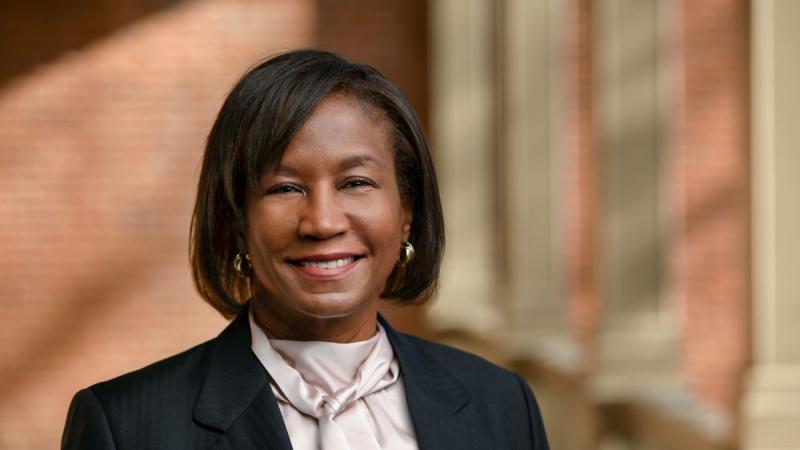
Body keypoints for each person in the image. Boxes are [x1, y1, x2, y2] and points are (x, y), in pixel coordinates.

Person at [61, 49, 549, 450]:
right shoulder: (127, 427)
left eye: (356, 182)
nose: (322, 222)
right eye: (284, 188)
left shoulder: (501, 405)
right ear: (234, 222)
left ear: (407, 215)